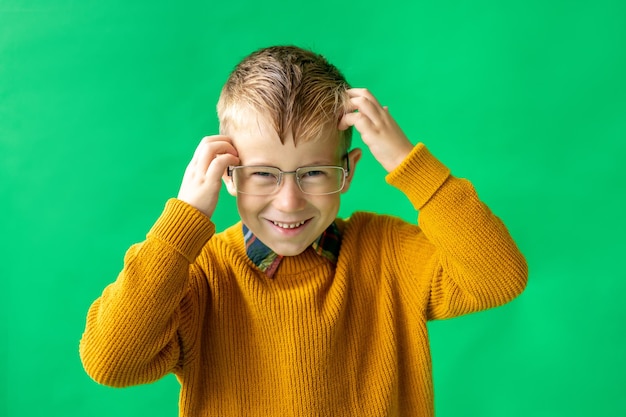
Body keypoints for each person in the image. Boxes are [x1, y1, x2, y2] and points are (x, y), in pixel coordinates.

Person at [80, 45, 528, 416]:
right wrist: (182, 224)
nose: (289, 202)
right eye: (262, 175)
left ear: (348, 172)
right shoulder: (202, 276)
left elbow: (498, 277)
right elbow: (111, 362)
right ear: (228, 175)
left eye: (313, 173)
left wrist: (407, 163)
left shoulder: (388, 253)